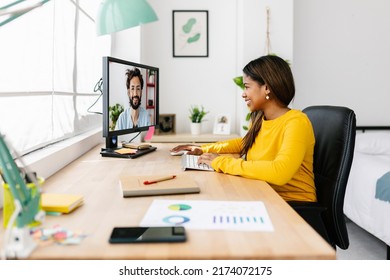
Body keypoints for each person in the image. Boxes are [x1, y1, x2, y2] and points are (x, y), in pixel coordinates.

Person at [171, 55, 316, 202]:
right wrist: (204, 149)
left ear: (266, 88)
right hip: (265, 195)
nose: (243, 94)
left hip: (294, 207)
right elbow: (244, 143)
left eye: (247, 87)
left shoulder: (296, 122)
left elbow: (280, 172)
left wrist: (221, 162)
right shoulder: (260, 119)